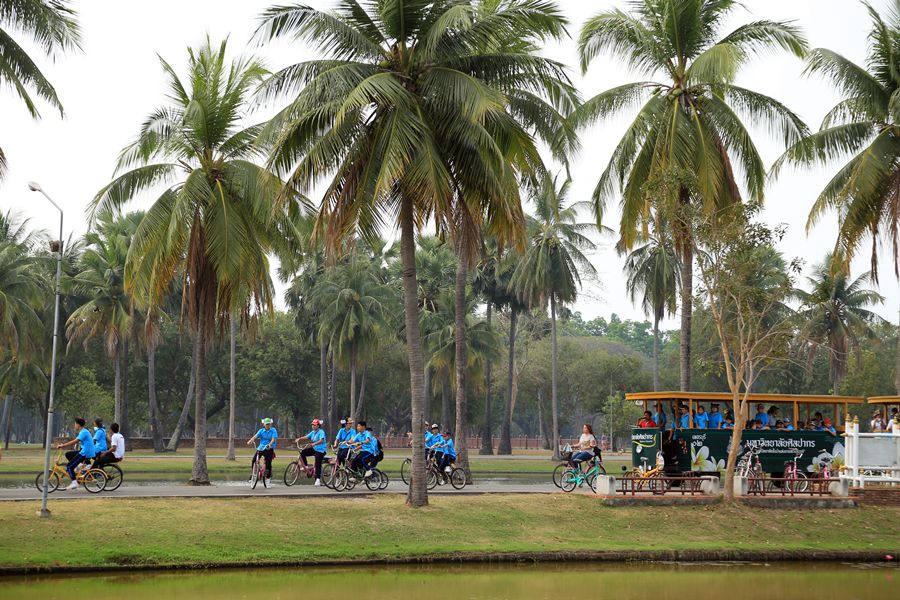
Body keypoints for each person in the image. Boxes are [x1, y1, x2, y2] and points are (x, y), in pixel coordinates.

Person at [55, 417, 97, 490]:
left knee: (69, 467)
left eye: (75, 424)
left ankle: (74, 482)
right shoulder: (83, 431)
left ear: (78, 425)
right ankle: (79, 466)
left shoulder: (83, 432)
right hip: (85, 451)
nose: (74, 425)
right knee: (68, 454)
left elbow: (75, 441)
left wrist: (63, 445)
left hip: (85, 453)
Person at [295, 419, 327, 486]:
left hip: (321, 450)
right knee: (303, 452)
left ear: (318, 426)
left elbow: (321, 440)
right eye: (312, 425)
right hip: (314, 449)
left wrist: (314, 443)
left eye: (314, 425)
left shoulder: (321, 432)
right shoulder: (313, 432)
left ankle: (318, 479)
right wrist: (299, 438)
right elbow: (306, 437)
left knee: (318, 463)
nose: (313, 426)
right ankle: (305, 466)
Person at [247, 418, 278, 485]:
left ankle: (268, 479)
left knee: (268, 463)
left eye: (269, 424)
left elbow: (273, 439)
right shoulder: (261, 431)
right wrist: (251, 440)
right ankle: (254, 474)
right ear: (264, 424)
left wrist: (269, 444)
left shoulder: (273, 430)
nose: (267, 425)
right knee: (254, 460)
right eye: (266, 424)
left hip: (269, 448)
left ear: (270, 424)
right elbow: (255, 436)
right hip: (261, 448)